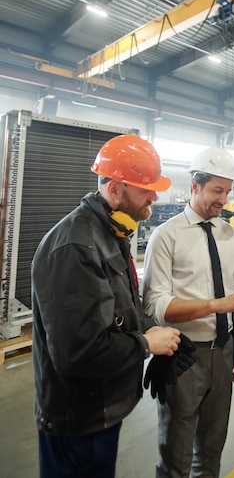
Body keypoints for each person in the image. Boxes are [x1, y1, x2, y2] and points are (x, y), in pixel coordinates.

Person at [31, 134, 184, 478]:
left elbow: (120, 310)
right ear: (115, 189)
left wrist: (153, 330)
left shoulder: (110, 234)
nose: (154, 196)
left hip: (101, 410)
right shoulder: (76, 247)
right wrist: (146, 345)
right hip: (79, 421)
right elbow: (77, 351)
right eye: (146, 188)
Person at [142, 147, 234, 478]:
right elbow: (156, 306)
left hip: (222, 355)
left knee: (210, 451)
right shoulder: (166, 237)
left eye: (227, 191)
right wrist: (218, 305)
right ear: (195, 187)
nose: (223, 199)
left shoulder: (230, 235)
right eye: (216, 191)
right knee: (176, 458)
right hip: (183, 355)